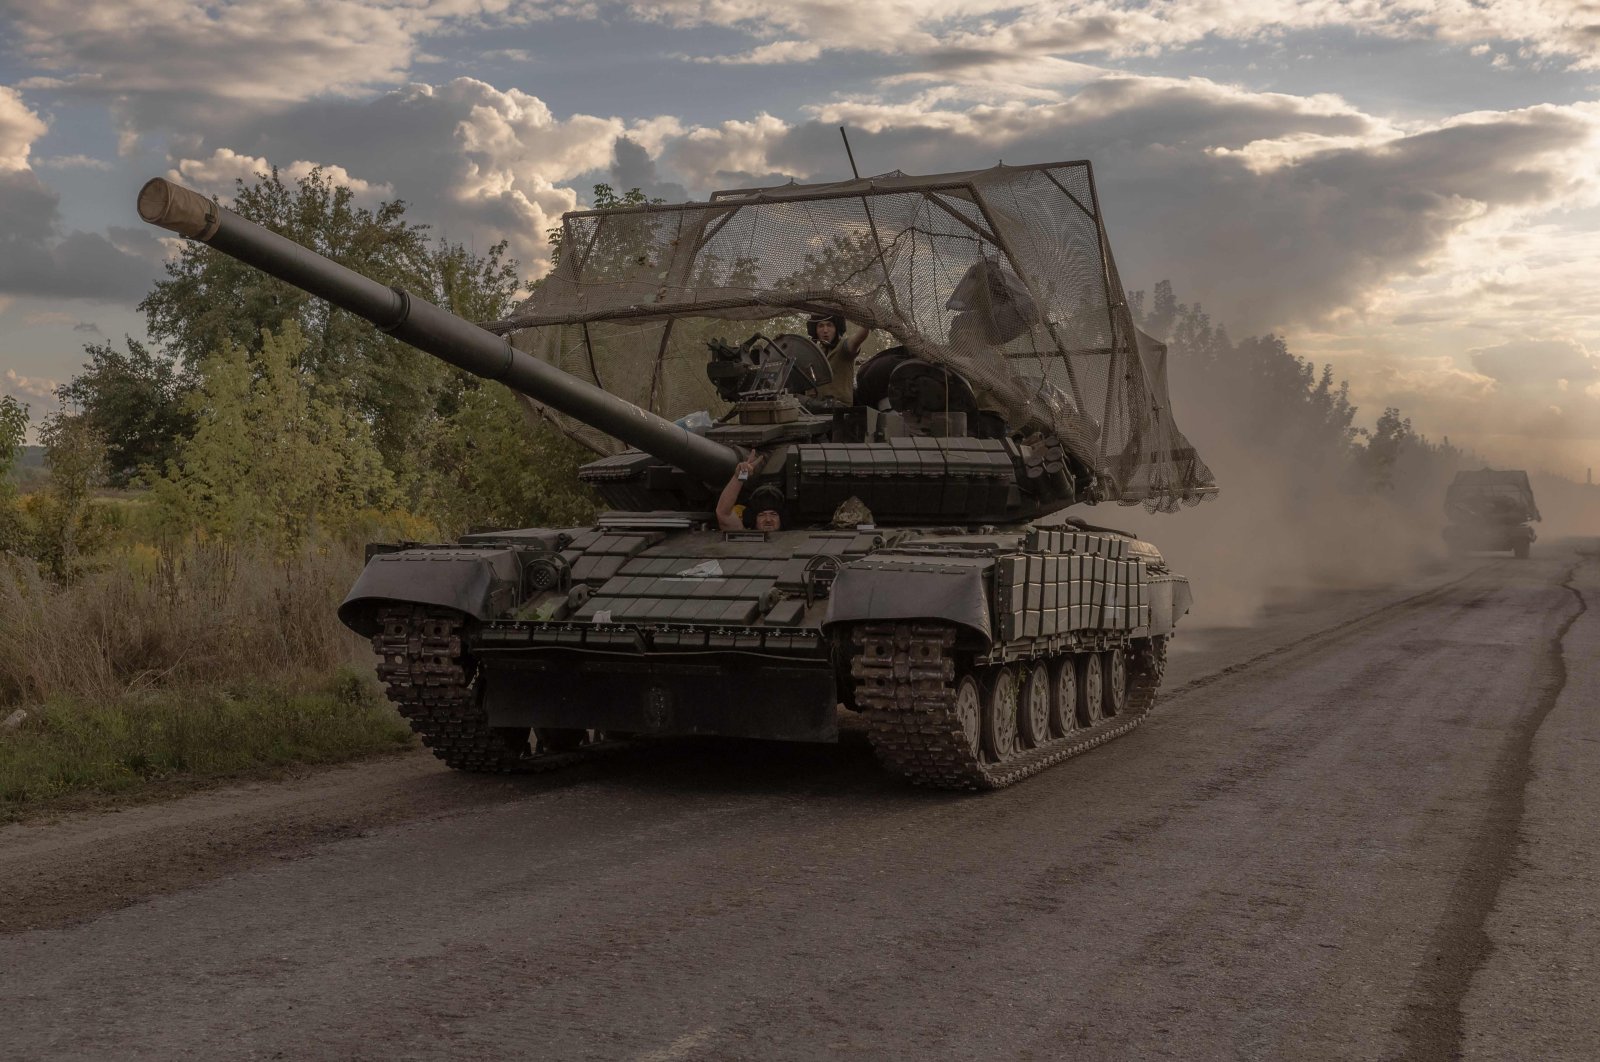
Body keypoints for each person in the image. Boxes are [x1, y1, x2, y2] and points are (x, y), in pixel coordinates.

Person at [806, 312, 869, 404]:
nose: (825, 330)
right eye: (820, 326)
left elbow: (859, 337)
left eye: (829, 325)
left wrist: (867, 321)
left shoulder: (843, 347)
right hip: (815, 410)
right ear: (815, 330)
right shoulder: (814, 352)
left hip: (840, 410)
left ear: (836, 328)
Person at [715, 451, 783, 532]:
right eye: (762, 515)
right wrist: (740, 476)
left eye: (773, 514)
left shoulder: (790, 538)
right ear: (753, 519)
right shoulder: (744, 535)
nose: (768, 520)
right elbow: (723, 513)